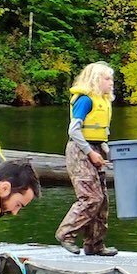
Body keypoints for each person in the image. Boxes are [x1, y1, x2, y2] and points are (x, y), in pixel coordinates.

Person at [56, 62, 117, 255]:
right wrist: (90, 152)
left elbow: (100, 135)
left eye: (111, 79)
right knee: (91, 197)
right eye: (107, 79)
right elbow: (73, 130)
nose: (111, 83)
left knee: (103, 200)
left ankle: (95, 244)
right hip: (79, 151)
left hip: (96, 148)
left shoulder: (104, 102)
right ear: (95, 80)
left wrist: (107, 151)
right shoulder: (85, 100)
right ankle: (66, 233)